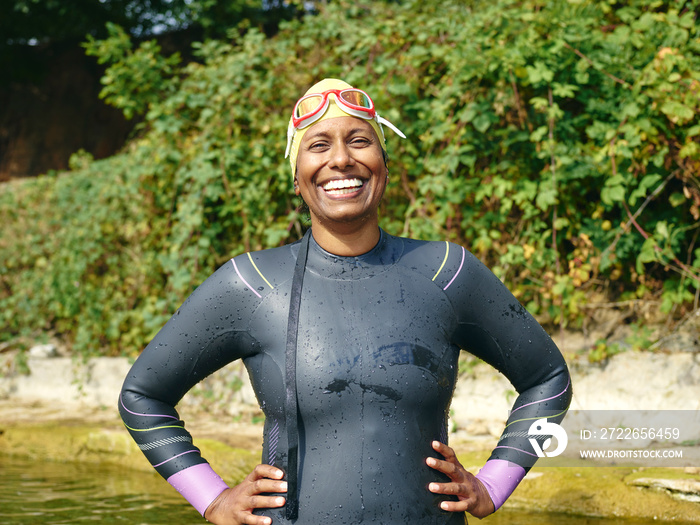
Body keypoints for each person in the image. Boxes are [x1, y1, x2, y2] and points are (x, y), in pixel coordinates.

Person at [119, 78, 572, 525]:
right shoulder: (252, 283)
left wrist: (495, 481)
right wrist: (212, 498)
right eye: (318, 145)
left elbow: (548, 380)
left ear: (385, 166)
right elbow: (142, 397)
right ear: (297, 178)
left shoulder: (446, 272)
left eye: (359, 140)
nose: (341, 159)